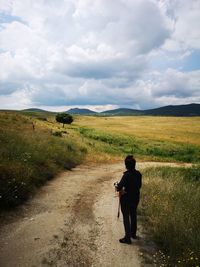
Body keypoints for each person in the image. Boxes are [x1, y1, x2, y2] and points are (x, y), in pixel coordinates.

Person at [115, 155, 142, 244]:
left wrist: (116, 185)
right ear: (134, 164)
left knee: (126, 217)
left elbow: (119, 188)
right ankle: (133, 234)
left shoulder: (126, 175)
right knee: (133, 215)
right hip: (135, 198)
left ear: (126, 165)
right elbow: (139, 186)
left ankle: (127, 238)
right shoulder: (138, 174)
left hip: (126, 199)